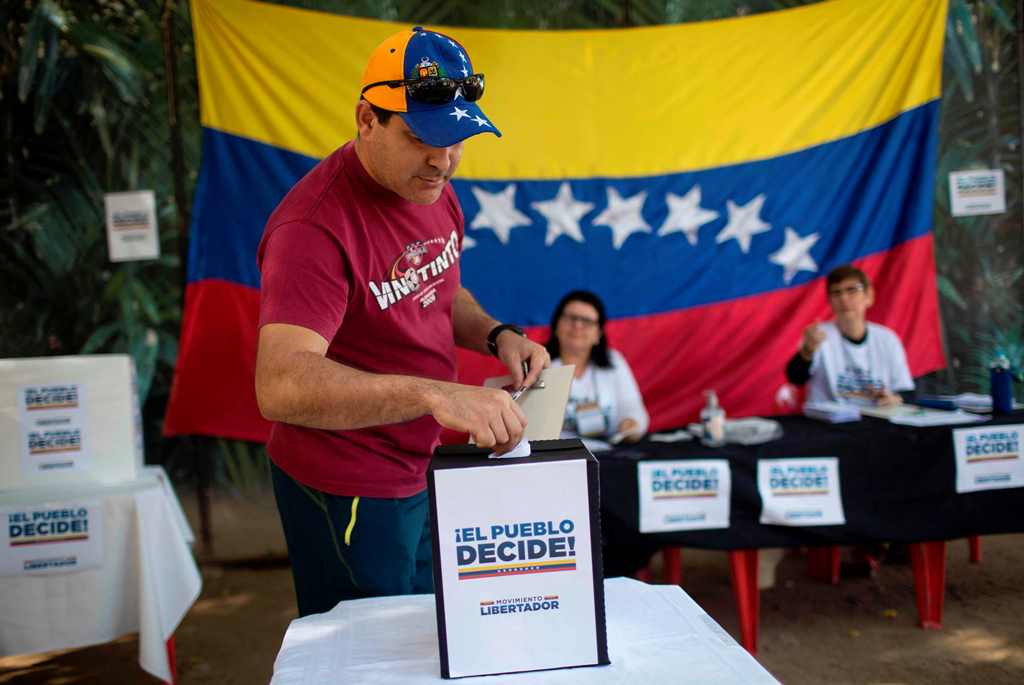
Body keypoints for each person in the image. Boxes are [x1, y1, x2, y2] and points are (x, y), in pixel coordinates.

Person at [254, 26, 550, 617]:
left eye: (458, 139)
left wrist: (498, 334)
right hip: (349, 482)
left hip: (423, 462)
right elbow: (279, 385)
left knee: (426, 632)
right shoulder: (312, 229)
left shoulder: (428, 185)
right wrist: (434, 394)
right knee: (372, 652)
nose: (443, 161)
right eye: (421, 138)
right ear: (368, 119)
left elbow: (440, 289)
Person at [785, 265, 914, 406]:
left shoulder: (887, 339)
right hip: (827, 422)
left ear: (869, 296)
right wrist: (807, 351)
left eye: (852, 290)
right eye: (836, 293)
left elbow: (905, 391)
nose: (844, 298)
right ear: (830, 301)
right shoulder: (818, 334)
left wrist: (894, 399)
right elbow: (795, 378)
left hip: (876, 419)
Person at [545, 290, 649, 443]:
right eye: (571, 318)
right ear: (556, 325)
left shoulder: (614, 361)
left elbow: (633, 408)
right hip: (555, 457)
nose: (577, 325)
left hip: (608, 454)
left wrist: (631, 423)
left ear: (598, 334)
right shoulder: (539, 364)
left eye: (587, 321)